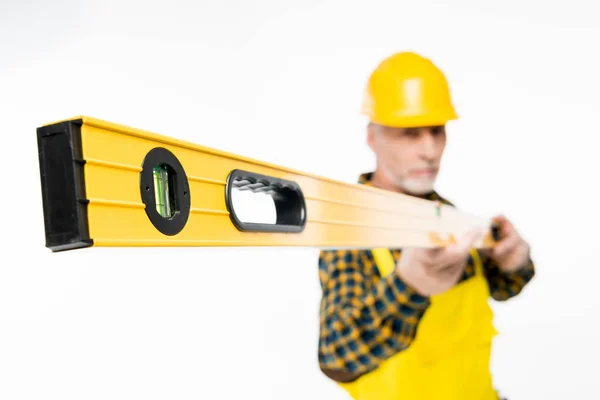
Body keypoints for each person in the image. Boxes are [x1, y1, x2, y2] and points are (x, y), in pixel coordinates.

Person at [316, 52, 535, 400]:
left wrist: (515, 262)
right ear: (372, 136)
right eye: (410, 134)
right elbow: (337, 356)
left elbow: (500, 289)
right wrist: (409, 286)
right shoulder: (350, 230)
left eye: (436, 131)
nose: (429, 150)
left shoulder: (448, 213)